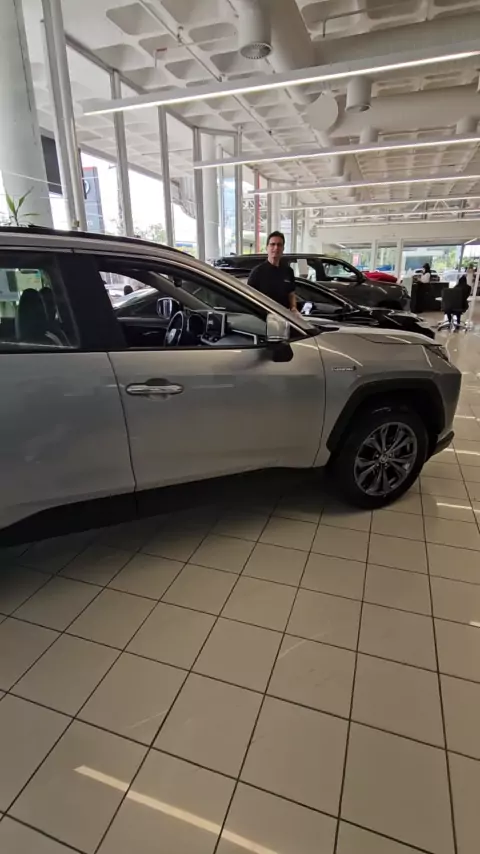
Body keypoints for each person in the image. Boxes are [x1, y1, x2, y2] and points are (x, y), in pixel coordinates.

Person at [248, 231, 298, 313]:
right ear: (267, 248)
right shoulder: (257, 272)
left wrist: (293, 308)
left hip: (284, 316)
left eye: (279, 245)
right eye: (272, 244)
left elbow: (291, 294)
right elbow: (249, 298)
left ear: (283, 248)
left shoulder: (288, 271)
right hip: (265, 317)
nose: (276, 248)